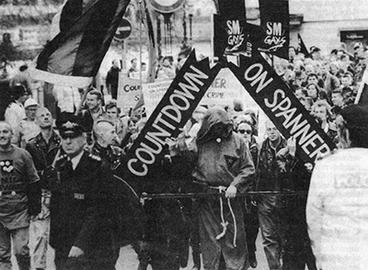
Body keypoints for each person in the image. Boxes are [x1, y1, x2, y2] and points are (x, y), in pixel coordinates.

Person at [44, 115, 118, 270]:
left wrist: (80, 244)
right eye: (64, 138)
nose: (68, 142)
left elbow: (98, 211)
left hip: (94, 246)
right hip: (65, 246)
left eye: (73, 137)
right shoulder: (60, 167)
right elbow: (58, 209)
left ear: (84, 139)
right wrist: (57, 244)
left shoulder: (97, 167)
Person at [192, 107, 255, 270]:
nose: (219, 130)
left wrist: (235, 185)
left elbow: (248, 168)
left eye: (222, 126)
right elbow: (189, 167)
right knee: (210, 243)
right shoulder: (199, 142)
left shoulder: (237, 141)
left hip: (231, 202)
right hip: (208, 202)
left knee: (234, 242)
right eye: (215, 127)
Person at [307, 104, 368, 270]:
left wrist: (320, 258)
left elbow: (314, 219)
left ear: (345, 133)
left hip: (336, 258)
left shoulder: (326, 165)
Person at [0, 121, 41, 270]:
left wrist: (35, 208)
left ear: (12, 134)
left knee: (21, 250)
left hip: (19, 211)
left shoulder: (23, 155)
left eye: (5, 132)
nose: (2, 135)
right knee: (2, 254)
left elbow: (34, 181)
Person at [25, 107, 60, 270]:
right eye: (42, 116)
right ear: (36, 121)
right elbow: (28, 172)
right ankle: (39, 267)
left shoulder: (62, 141)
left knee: (63, 234)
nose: (45, 117)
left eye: (48, 115)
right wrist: (42, 173)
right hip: (42, 194)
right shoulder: (31, 145)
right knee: (40, 235)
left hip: (61, 193)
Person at [257, 120, 286, 270]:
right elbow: (257, 172)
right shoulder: (262, 147)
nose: (272, 132)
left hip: (284, 198)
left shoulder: (288, 145)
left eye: (275, 128)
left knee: (283, 236)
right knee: (268, 237)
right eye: (269, 129)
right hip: (266, 197)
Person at [236, 121, 259, 268]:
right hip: (238, 192)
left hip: (253, 193)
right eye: (241, 131)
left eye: (248, 132)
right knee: (239, 226)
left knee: (253, 226)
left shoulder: (257, 149)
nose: (244, 134)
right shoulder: (233, 147)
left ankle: (251, 250)